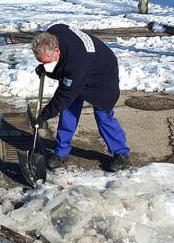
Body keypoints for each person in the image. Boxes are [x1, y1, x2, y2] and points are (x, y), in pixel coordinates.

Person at [30, 24, 130, 171]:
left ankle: (121, 153)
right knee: (68, 112)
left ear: (56, 51)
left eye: (46, 62)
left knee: (103, 115)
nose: (44, 64)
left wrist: (44, 115)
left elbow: (63, 95)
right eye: (41, 61)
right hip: (83, 66)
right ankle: (61, 153)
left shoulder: (76, 63)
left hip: (102, 75)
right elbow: (63, 66)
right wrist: (47, 68)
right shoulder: (53, 32)